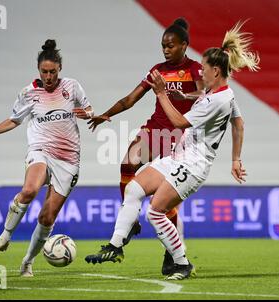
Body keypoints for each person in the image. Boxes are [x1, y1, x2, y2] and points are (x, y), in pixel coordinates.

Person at [85, 21, 259, 280]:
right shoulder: (222, 94)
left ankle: (180, 261)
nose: (201, 73)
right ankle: (115, 246)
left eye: (205, 69)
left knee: (156, 211)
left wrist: (163, 94)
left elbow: (179, 122)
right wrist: (235, 159)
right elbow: (239, 123)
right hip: (177, 155)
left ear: (215, 71)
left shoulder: (215, 97)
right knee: (134, 187)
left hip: (192, 164)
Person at [87, 18, 205, 275]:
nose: (166, 50)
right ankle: (129, 224)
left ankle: (171, 253)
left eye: (171, 46)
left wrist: (182, 96)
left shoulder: (195, 69)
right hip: (155, 130)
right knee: (128, 161)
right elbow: (131, 98)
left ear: (184, 45)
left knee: (166, 203)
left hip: (179, 138)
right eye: (163, 45)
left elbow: (204, 96)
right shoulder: (157, 71)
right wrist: (106, 114)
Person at [0, 39, 95, 277]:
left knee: (47, 217)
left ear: (60, 69)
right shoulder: (28, 93)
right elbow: (13, 120)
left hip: (68, 160)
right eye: (44, 72)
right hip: (41, 150)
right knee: (29, 190)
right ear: (39, 70)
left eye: (53, 72)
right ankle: (4, 238)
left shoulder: (72, 86)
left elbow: (89, 110)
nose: (48, 76)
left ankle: (27, 261)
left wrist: (87, 114)